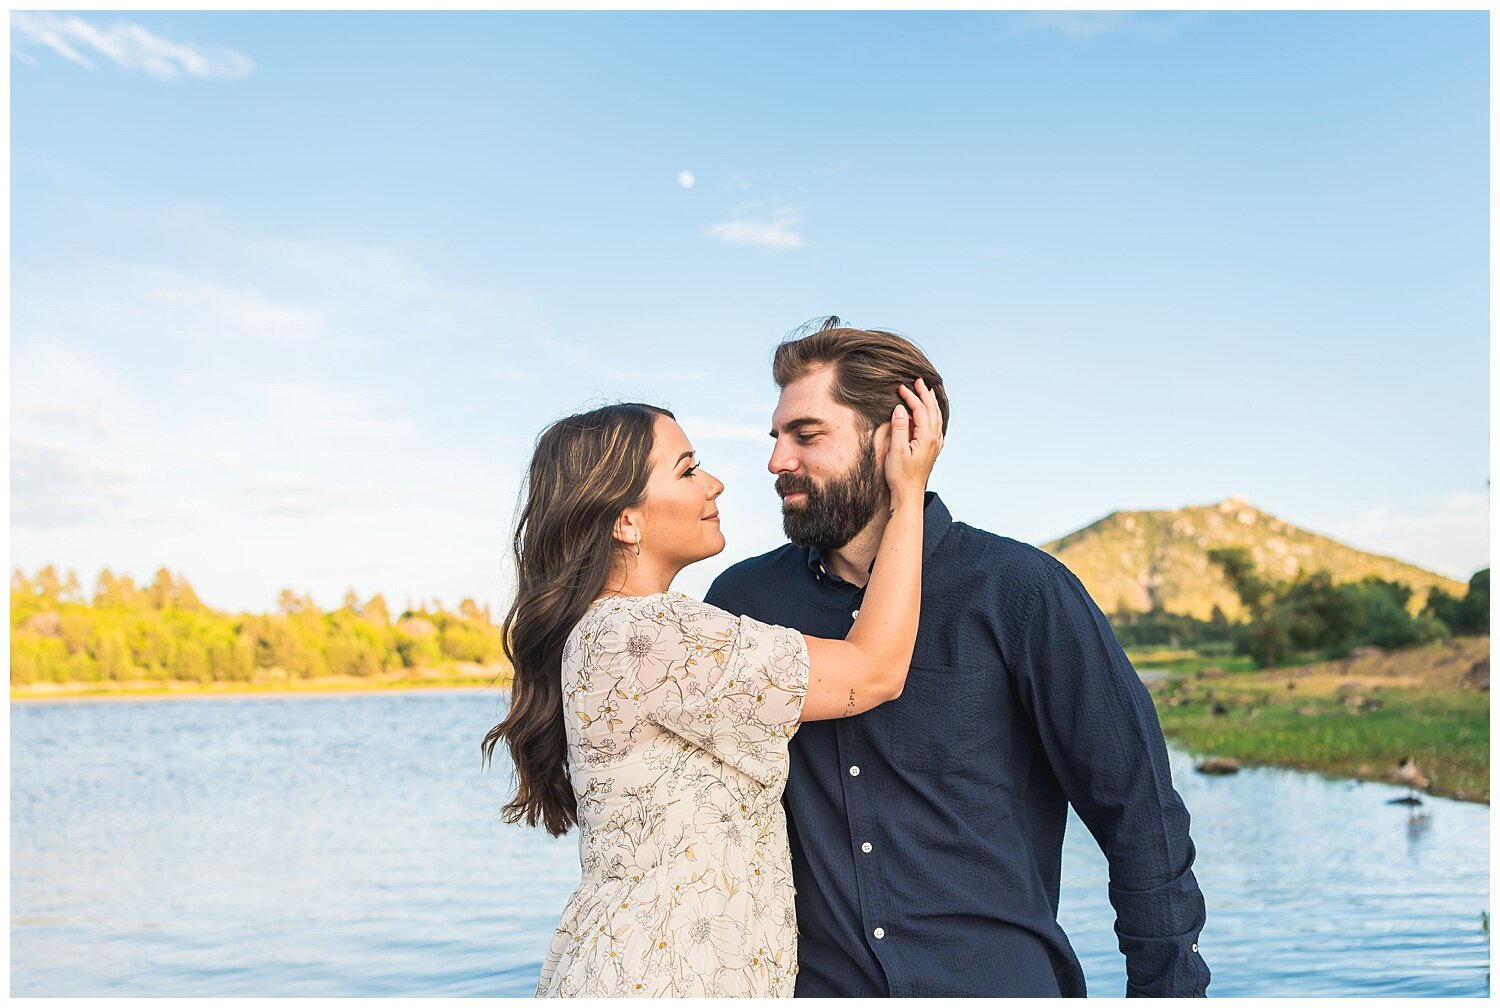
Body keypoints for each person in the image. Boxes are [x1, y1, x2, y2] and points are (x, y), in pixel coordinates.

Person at [705, 318, 1212, 998]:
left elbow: (1139, 812)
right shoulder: (743, 601)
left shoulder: (1021, 592)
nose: (776, 462)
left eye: (806, 435)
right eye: (776, 437)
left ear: (898, 434)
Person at [483, 382, 943, 997]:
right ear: (625, 521)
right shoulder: (646, 633)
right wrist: (907, 494)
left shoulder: (614, 630)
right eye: (687, 470)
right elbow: (873, 673)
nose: (714, 483)